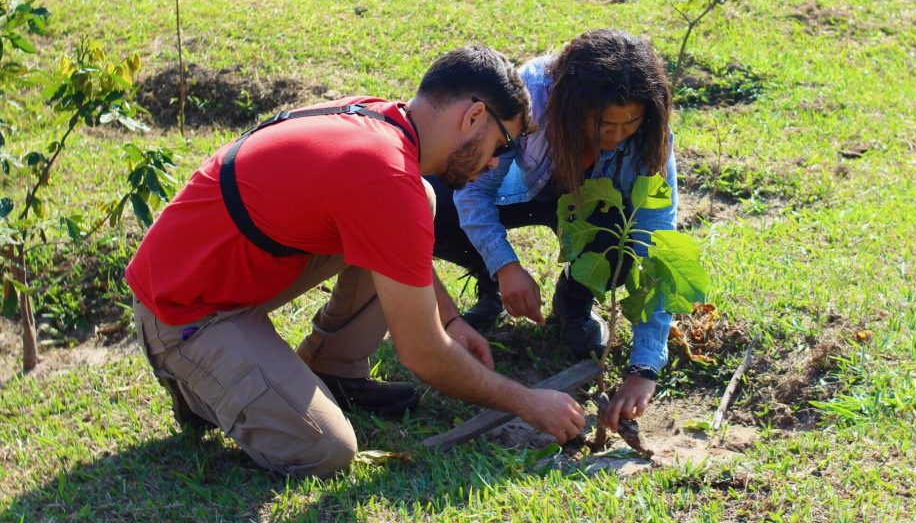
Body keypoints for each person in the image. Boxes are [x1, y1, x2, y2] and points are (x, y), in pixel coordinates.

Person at [126, 46, 585, 478]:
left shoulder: (384, 122)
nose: (494, 165)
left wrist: (448, 319)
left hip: (212, 274)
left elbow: (388, 239)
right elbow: (422, 354)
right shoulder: (384, 176)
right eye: (502, 146)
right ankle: (196, 383)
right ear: (474, 116)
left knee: (421, 200)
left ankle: (333, 369)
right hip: (182, 311)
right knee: (326, 449)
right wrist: (526, 402)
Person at [431, 29, 677, 434]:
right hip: (520, 192)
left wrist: (645, 365)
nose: (615, 138)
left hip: (588, 206)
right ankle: (490, 287)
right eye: (603, 126)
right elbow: (474, 191)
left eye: (628, 125)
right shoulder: (532, 96)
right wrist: (505, 266)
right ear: (572, 105)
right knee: (440, 205)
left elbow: (657, 241)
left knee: (623, 242)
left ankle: (574, 301)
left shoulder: (650, 135)